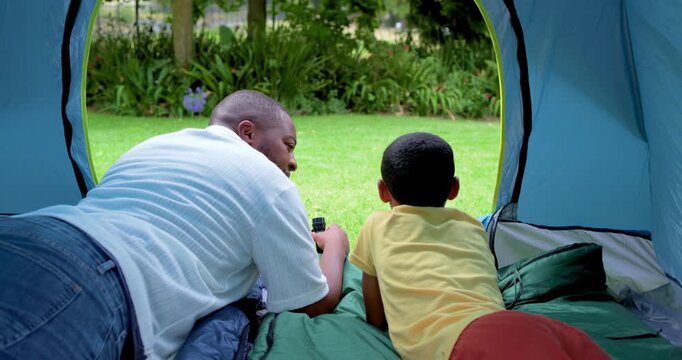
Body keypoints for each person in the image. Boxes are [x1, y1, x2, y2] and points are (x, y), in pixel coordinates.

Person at [0, 90, 349, 359]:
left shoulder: (152, 146)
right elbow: (309, 302)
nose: (293, 162)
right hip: (94, 280)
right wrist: (335, 246)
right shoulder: (270, 184)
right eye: (288, 146)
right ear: (247, 133)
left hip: (30, 229)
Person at [349, 132, 609, 360]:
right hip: (523, 326)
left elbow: (375, 314)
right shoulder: (471, 226)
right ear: (454, 188)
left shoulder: (378, 225)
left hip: (463, 340)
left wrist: (378, 321)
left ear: (383, 191)